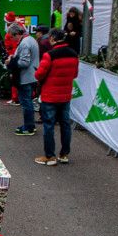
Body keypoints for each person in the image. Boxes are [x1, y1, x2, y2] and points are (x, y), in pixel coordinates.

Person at [34, 28, 80, 166]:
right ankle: (64, 154)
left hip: (50, 95)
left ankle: (50, 156)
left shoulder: (50, 55)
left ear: (53, 38)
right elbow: (75, 74)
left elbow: (39, 75)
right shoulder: (73, 54)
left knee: (49, 125)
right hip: (65, 95)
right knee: (65, 125)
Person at [8, 23, 40, 135]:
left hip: (26, 77)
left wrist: (11, 61)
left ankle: (29, 127)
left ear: (17, 34)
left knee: (26, 103)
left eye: (12, 37)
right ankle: (30, 125)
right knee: (28, 102)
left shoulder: (25, 43)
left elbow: (24, 62)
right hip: (31, 76)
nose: (12, 40)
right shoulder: (30, 39)